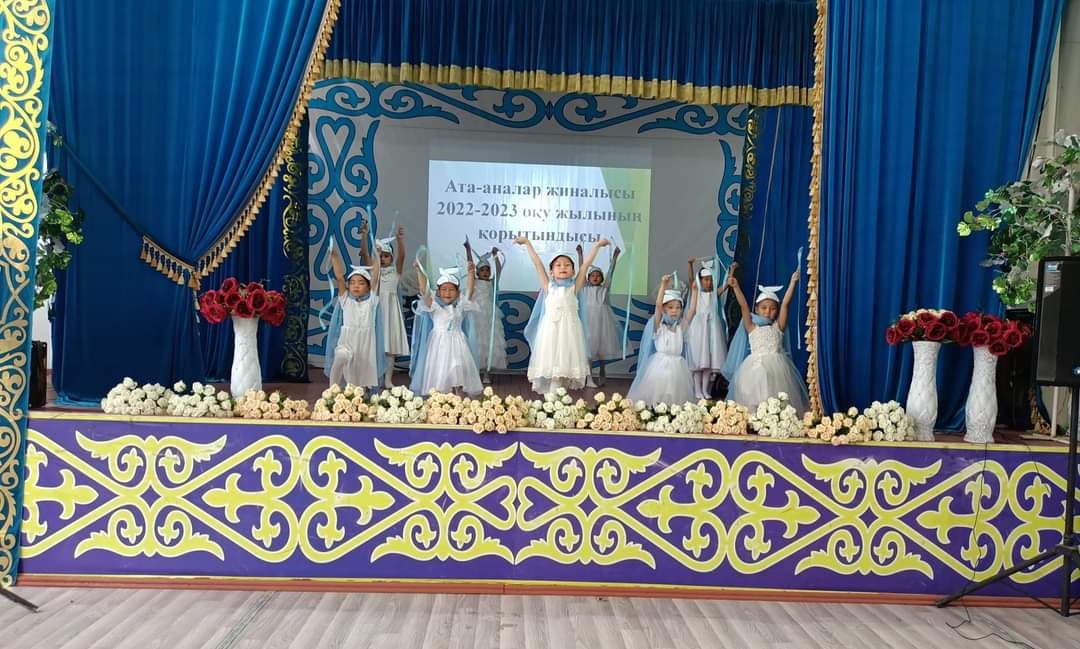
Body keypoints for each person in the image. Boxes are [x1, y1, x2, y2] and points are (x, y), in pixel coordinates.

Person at [516, 236, 610, 394]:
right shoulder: (548, 287)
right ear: (551, 272)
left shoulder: (574, 288)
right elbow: (537, 263)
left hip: (570, 332)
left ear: (573, 271)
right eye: (558, 265)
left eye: (567, 265)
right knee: (553, 368)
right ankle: (553, 400)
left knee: (565, 369)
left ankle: (559, 399)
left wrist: (597, 246)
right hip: (551, 332)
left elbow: (586, 265)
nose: (562, 267)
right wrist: (527, 243)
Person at [722, 271, 809, 414]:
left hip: (777, 370)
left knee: (776, 399)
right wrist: (736, 287)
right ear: (756, 309)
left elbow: (786, 304)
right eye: (764, 308)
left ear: (777, 311)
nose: (768, 311)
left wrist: (793, 282)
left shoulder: (778, 327)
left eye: (773, 308)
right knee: (753, 398)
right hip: (754, 368)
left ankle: (774, 419)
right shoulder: (751, 326)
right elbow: (744, 306)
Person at [409, 262, 483, 397]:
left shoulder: (461, 305)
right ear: (438, 292)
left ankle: (457, 395)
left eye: (451, 289)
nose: (447, 293)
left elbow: (470, 290)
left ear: (458, 292)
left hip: (458, 342)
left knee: (458, 367)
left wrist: (471, 273)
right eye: (444, 289)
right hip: (438, 343)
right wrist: (419, 271)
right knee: (439, 369)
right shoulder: (434, 306)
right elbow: (424, 291)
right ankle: (439, 397)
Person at [324, 238, 384, 391]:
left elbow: (376, 278)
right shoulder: (345, 300)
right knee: (340, 356)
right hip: (347, 340)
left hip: (365, 342)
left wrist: (377, 256)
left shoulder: (372, 301)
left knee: (359, 376)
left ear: (368, 287)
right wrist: (334, 255)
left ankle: (359, 393)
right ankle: (332, 390)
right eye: (352, 283)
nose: (356, 286)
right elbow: (339, 277)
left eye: (361, 283)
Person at [627, 274, 697, 406]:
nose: (674, 311)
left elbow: (692, 311)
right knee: (658, 394)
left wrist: (694, 291)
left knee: (675, 394)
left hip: (677, 367)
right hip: (659, 365)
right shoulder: (659, 327)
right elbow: (658, 306)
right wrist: (664, 285)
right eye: (670, 307)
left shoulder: (681, 327)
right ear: (665, 309)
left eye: (678, 308)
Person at [360, 221, 410, 388]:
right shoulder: (373, 271)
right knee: (373, 345)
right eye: (380, 255)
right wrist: (364, 235)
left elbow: (403, 256)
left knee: (390, 345)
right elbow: (364, 253)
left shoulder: (396, 272)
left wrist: (400, 241)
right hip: (376, 310)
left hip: (391, 311)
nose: (383, 258)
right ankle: (372, 378)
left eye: (386, 256)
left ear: (392, 257)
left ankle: (388, 380)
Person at [686, 258, 736, 399]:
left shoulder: (714, 294)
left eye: (710, 280)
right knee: (698, 361)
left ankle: (705, 390)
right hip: (699, 330)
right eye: (705, 280)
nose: (708, 282)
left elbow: (727, 284)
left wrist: (732, 270)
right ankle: (697, 390)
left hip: (712, 330)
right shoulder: (696, 292)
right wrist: (690, 265)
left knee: (709, 361)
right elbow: (691, 280)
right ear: (700, 280)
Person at [577, 244, 623, 387]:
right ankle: (589, 377)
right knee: (588, 350)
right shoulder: (584, 288)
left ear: (602, 279)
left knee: (602, 349)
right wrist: (580, 255)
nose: (595, 277)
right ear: (588, 278)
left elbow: (611, 273)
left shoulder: (604, 289)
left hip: (602, 322)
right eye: (593, 275)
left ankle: (602, 372)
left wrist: (615, 258)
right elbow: (582, 269)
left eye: (598, 276)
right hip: (589, 321)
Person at [464, 240, 507, 383]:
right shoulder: (474, 281)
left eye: (487, 270)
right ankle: (474, 372)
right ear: (477, 271)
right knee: (476, 342)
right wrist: (468, 250)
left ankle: (486, 373)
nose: (485, 272)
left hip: (489, 316)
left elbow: (499, 270)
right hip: (476, 316)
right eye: (482, 270)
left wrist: (495, 256)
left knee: (489, 343)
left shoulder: (492, 283)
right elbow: (470, 266)